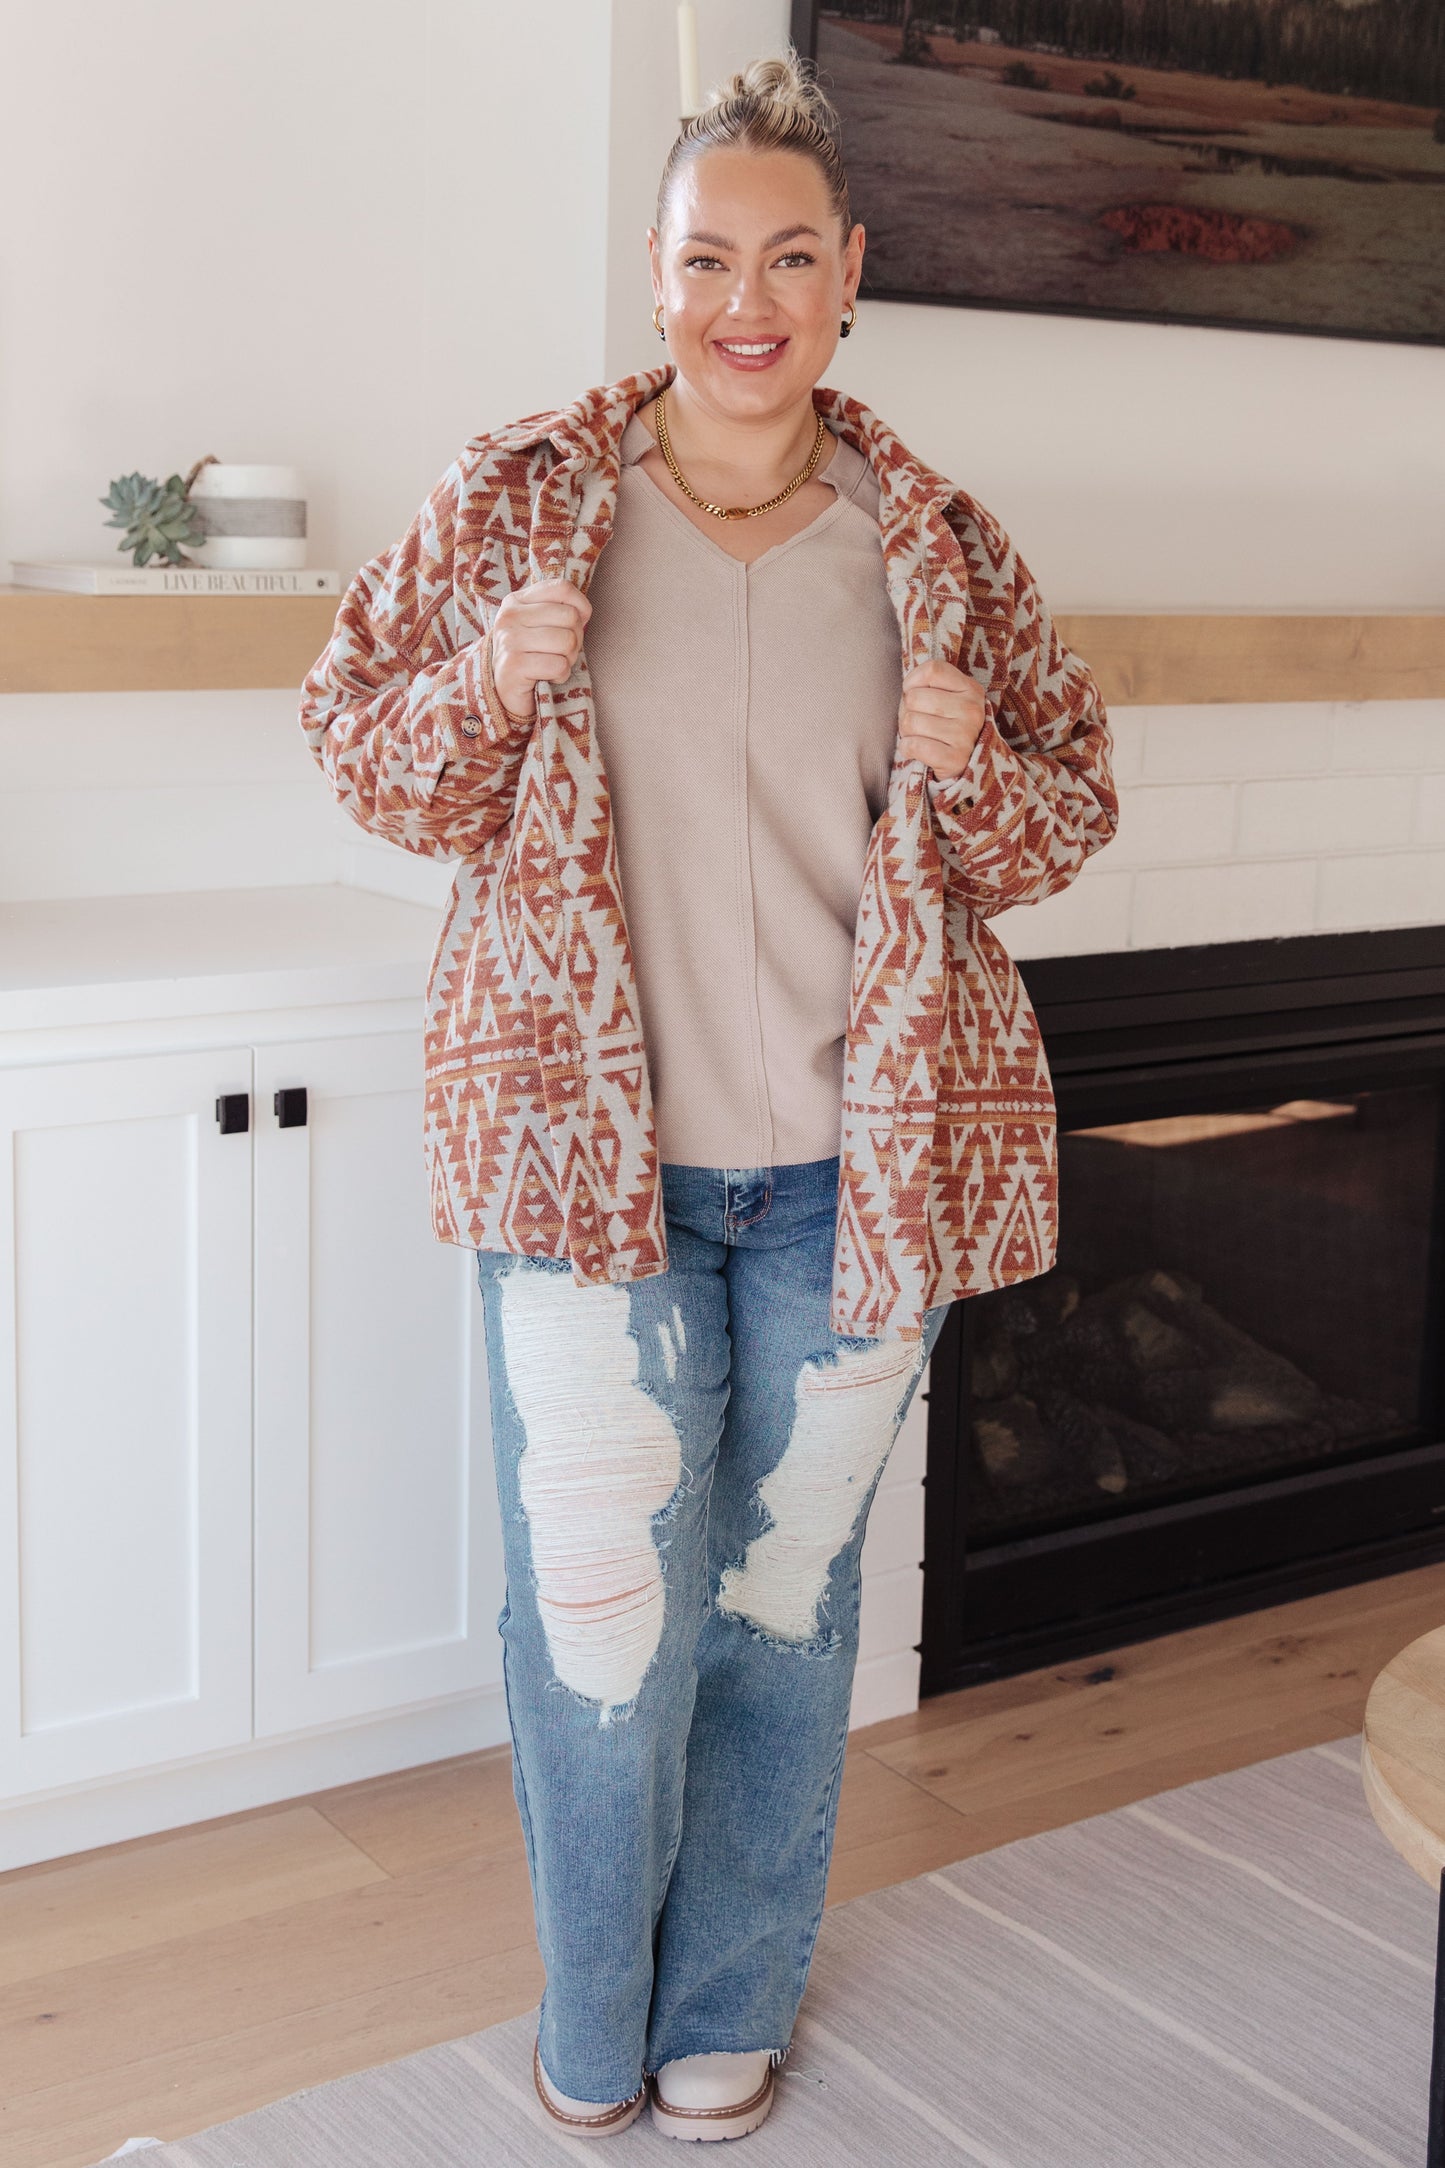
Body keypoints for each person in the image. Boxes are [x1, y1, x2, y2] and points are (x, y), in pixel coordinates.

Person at [300, 52, 1117, 2144]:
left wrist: (971, 760)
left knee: (780, 1610)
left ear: (850, 274)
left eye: (787, 256)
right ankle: (596, 2006)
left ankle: (726, 2003)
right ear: (652, 280)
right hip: (586, 1173)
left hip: (857, 1175)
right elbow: (359, 747)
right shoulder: (517, 502)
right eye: (700, 258)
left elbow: (1061, 823)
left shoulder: (937, 542)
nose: (744, 298)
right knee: (596, 1624)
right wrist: (491, 675)